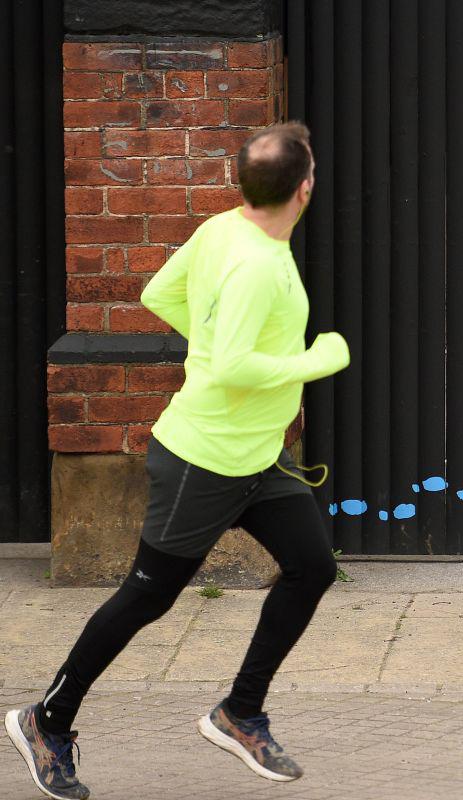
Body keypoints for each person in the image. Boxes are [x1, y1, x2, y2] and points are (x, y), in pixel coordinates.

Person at [5, 121, 349, 799]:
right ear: (305, 189)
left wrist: (219, 342)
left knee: (312, 568)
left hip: (258, 459)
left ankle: (240, 712)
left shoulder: (226, 229)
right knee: (147, 596)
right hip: (204, 461)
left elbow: (158, 294)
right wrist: (318, 357)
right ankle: (46, 720)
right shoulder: (256, 264)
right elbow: (230, 366)